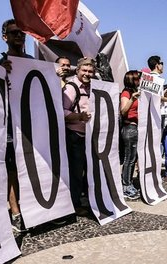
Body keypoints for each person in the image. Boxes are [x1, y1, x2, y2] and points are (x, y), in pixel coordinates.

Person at [0, 18, 33, 233]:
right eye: (14, 33)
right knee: (11, 171)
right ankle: (15, 212)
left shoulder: (31, 61)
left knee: (28, 168)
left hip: (30, 125)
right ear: (4, 37)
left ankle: (31, 209)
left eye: (21, 33)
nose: (19, 36)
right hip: (7, 126)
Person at [63, 57, 95, 216]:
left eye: (90, 71)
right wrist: (79, 117)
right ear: (78, 70)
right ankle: (73, 205)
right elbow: (61, 111)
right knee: (76, 172)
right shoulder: (71, 87)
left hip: (87, 136)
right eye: (84, 70)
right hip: (74, 135)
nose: (87, 74)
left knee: (86, 170)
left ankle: (85, 199)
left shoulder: (93, 87)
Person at [120, 70, 141, 199]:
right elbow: (123, 111)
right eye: (138, 79)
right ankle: (126, 186)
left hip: (136, 128)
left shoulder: (136, 92)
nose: (140, 81)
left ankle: (128, 184)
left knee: (133, 159)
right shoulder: (127, 93)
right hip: (130, 128)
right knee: (130, 159)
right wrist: (132, 99)